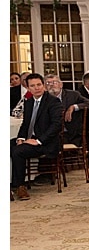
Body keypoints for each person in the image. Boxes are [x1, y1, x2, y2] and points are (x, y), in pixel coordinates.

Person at [10, 73, 63, 201]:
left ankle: (20, 186)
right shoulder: (28, 102)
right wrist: (21, 138)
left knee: (18, 152)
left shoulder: (53, 101)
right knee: (10, 145)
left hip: (46, 143)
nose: (37, 88)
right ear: (28, 88)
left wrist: (38, 141)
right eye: (32, 86)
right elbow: (26, 124)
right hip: (30, 139)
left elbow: (56, 126)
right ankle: (12, 184)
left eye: (39, 84)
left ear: (43, 85)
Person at [44, 74, 88, 147]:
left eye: (54, 82)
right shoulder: (43, 98)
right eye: (48, 83)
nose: (51, 85)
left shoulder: (73, 95)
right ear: (45, 87)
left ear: (61, 84)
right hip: (51, 135)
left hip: (71, 133)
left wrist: (74, 107)